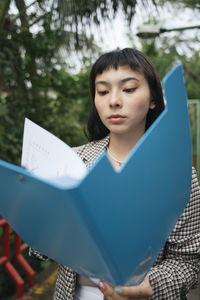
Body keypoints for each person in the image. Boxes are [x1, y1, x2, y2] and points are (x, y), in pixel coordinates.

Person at [30, 48, 200, 300]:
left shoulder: (180, 173)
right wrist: (39, 215)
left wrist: (150, 286)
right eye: (103, 91)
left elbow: (189, 262)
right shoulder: (70, 161)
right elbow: (40, 249)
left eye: (129, 89)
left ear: (153, 98)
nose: (114, 101)